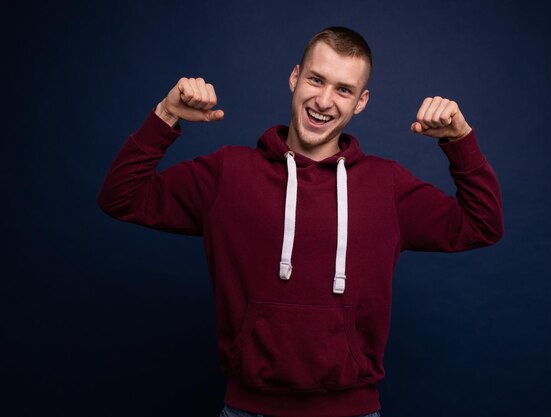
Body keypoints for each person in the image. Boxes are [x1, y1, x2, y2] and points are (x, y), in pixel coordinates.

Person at [98, 26, 503, 417]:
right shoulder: (229, 172)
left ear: (361, 101)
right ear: (295, 78)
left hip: (353, 411)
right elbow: (121, 197)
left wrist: (459, 138)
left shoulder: (386, 185)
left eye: (343, 89)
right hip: (247, 409)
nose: (325, 101)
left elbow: (482, 224)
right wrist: (167, 115)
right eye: (316, 80)